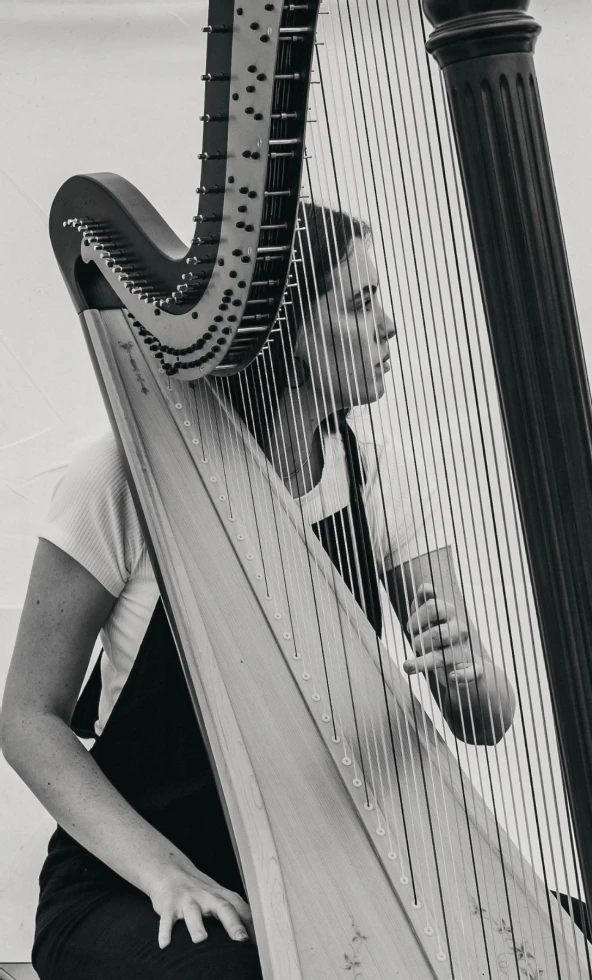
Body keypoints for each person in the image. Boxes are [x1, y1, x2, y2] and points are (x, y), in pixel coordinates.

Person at [0, 201, 516, 980]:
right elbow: (27, 720)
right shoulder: (124, 474)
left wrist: (468, 670)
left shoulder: (376, 476)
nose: (390, 327)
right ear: (288, 334)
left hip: (328, 872)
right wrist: (165, 872)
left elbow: (486, 722)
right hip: (131, 886)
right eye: (359, 303)